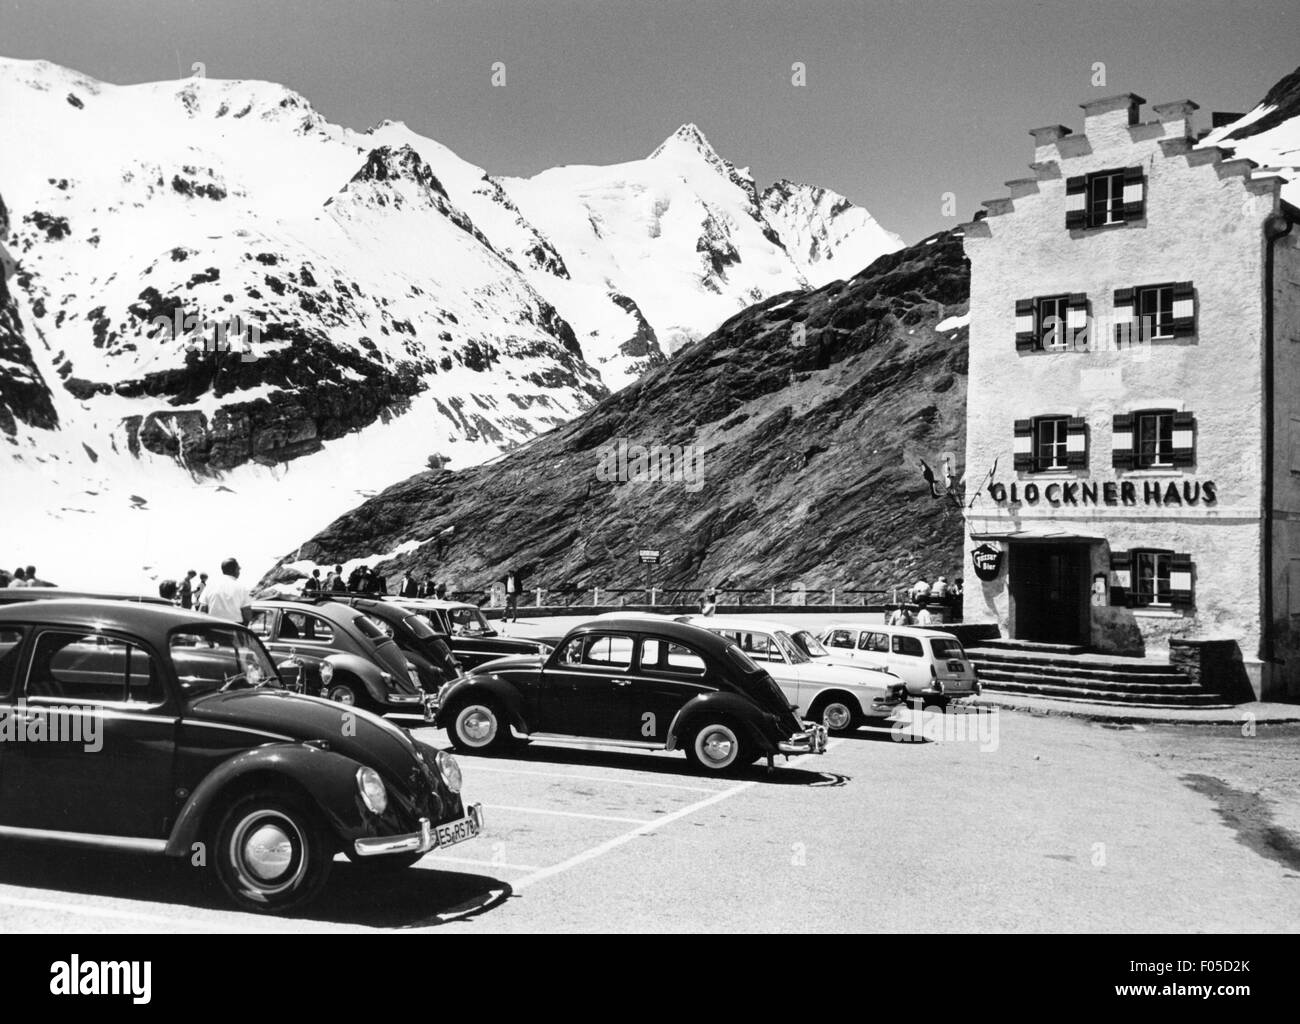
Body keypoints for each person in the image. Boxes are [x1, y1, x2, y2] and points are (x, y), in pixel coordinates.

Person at [199, 557, 252, 624]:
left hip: (212, 626)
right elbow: (247, 614)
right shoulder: (242, 588)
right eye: (238, 569)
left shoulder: (210, 586)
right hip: (234, 627)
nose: (239, 571)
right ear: (235, 570)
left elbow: (202, 610)